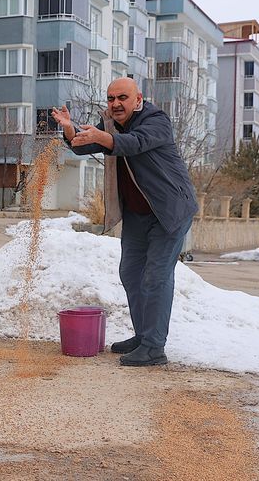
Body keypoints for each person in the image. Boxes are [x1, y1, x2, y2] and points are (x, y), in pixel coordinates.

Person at [51, 77, 197, 367]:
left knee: (155, 277)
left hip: (168, 212)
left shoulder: (156, 120)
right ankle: (144, 336)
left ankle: (155, 347)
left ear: (138, 99)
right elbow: (84, 145)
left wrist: (102, 137)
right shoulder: (110, 123)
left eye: (122, 98)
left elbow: (133, 143)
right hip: (138, 214)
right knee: (131, 273)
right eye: (110, 98)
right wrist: (70, 129)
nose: (115, 104)